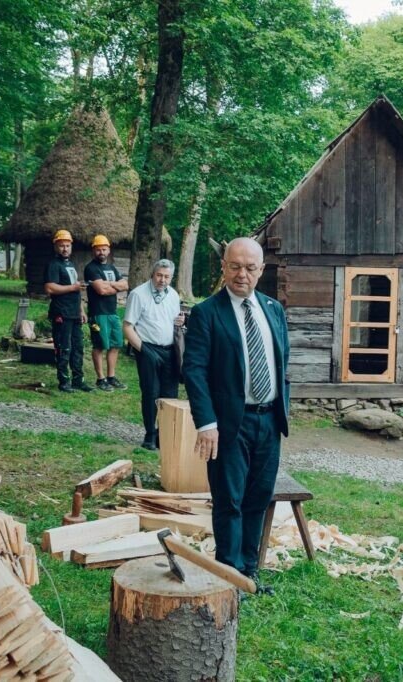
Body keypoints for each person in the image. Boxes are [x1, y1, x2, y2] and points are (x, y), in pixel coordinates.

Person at [183, 237, 289, 593]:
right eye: (235, 266)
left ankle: (249, 571)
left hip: (269, 420)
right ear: (224, 267)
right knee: (229, 500)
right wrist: (206, 423)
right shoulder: (207, 313)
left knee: (258, 497)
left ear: (261, 270)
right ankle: (228, 576)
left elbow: (282, 362)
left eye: (250, 268)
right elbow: (194, 370)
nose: (242, 274)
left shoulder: (273, 309)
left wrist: (282, 410)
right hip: (230, 423)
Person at [124, 259, 184, 450]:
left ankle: (162, 434)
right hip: (147, 348)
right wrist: (144, 350)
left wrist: (180, 321)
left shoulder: (173, 295)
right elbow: (127, 327)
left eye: (167, 277)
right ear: (153, 274)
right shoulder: (138, 294)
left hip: (169, 350)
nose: (162, 280)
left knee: (170, 395)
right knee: (151, 392)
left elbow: (173, 321)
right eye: (159, 275)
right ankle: (149, 434)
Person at [44, 229, 93, 394]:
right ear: (55, 247)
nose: (65, 249)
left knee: (78, 347)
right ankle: (64, 382)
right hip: (61, 313)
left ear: (71, 246)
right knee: (64, 348)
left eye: (67, 245)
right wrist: (73, 287)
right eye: (61, 246)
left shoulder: (70, 265)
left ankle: (78, 380)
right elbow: (49, 288)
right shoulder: (53, 265)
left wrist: (81, 310)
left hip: (74, 313)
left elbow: (76, 290)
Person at [84, 234, 129, 391]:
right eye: (98, 249)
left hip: (112, 312)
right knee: (99, 345)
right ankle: (100, 379)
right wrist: (115, 286)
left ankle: (111, 377)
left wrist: (108, 283)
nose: (101, 252)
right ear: (93, 251)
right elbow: (101, 291)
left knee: (115, 345)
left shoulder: (112, 268)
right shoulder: (91, 268)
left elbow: (125, 285)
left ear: (108, 250)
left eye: (104, 249)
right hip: (98, 313)